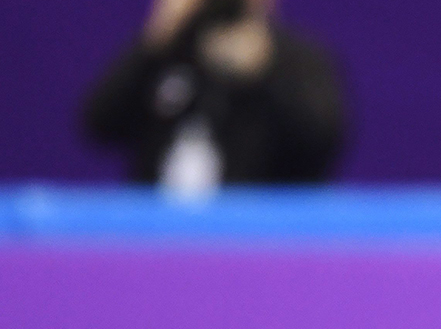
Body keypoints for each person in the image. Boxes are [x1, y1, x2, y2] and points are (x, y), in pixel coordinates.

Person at [82, 0, 345, 194]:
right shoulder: (169, 51)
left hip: (255, 232)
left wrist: (265, 75)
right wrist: (153, 43)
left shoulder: (295, 59)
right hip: (157, 230)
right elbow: (99, 124)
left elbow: (320, 143)